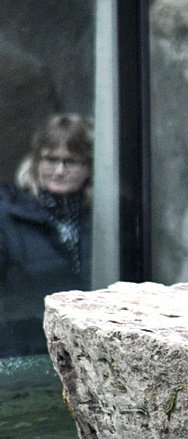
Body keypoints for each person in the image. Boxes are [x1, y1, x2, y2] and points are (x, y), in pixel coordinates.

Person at [0, 113, 93, 356]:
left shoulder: (105, 218)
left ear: (89, 167)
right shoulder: (8, 214)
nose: (59, 170)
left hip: (84, 350)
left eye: (71, 161)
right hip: (22, 352)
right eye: (51, 160)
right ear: (36, 162)